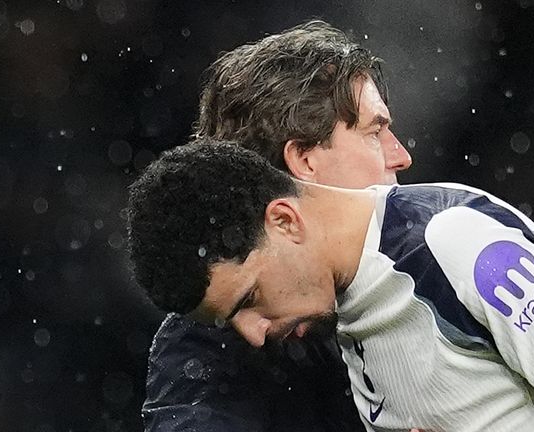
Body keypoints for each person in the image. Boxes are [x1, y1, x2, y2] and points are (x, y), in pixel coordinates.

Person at [128, 141, 534, 432]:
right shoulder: (339, 303)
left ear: (285, 221)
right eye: (230, 321)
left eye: (248, 299)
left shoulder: (452, 241)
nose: (253, 334)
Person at [141, 21, 411, 431]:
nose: (401, 156)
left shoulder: (437, 260)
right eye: (374, 132)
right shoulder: (214, 347)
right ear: (304, 160)